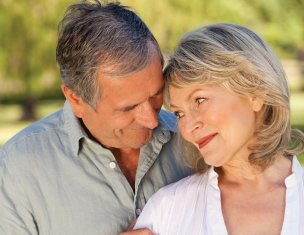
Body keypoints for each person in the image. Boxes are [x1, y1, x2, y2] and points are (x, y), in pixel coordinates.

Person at [0, 1, 194, 234]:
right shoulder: (15, 169)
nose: (152, 121)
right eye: (128, 108)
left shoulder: (195, 140)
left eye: (155, 95)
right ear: (76, 100)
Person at [133, 23, 304, 234]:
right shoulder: (166, 210)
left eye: (200, 100)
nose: (187, 128)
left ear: (256, 93)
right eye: (179, 114)